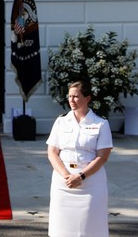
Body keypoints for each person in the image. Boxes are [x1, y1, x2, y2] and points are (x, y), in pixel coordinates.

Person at [46, 80, 113, 237]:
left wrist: (81, 175)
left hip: (90, 183)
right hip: (63, 183)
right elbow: (52, 152)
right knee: (61, 228)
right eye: (69, 96)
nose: (71, 100)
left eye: (76, 96)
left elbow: (103, 157)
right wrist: (67, 176)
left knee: (91, 227)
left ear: (87, 98)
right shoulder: (61, 121)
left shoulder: (101, 123)